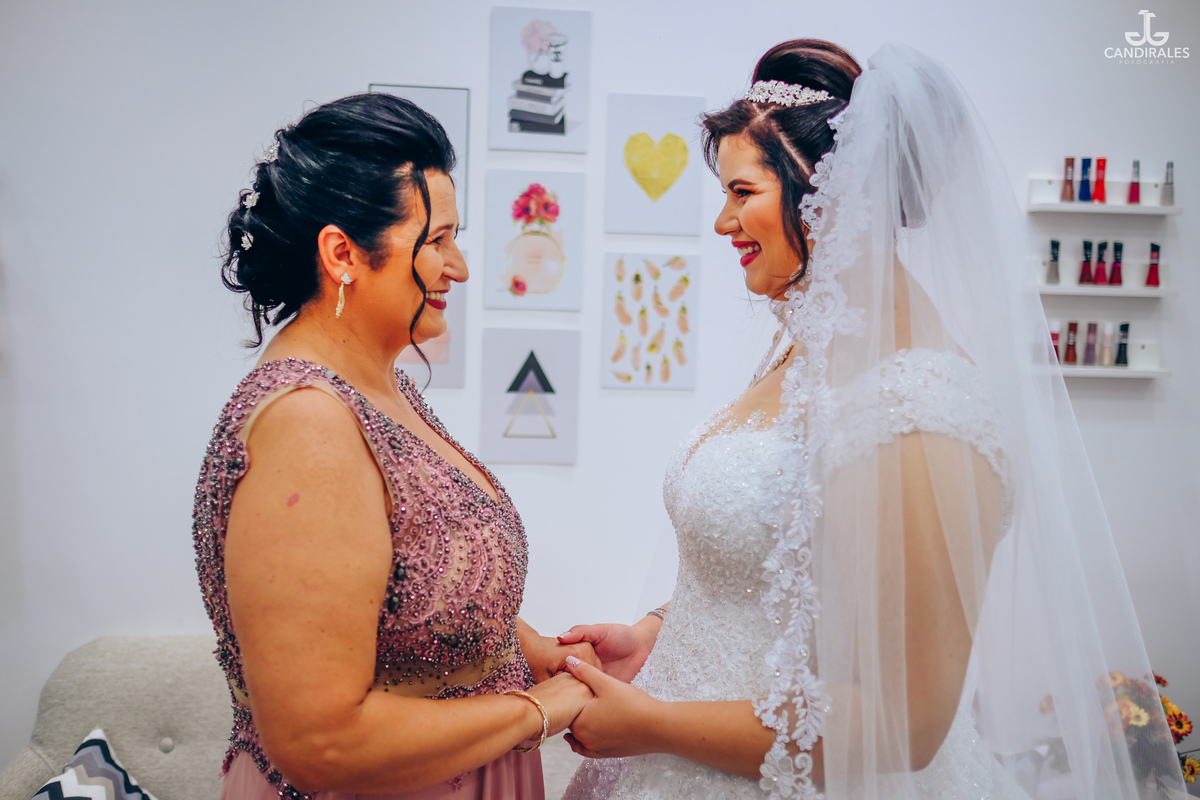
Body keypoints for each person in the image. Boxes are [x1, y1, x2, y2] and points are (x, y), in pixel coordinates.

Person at [557, 40, 1186, 799]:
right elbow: (774, 570)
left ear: (826, 192)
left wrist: (653, 724)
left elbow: (905, 720)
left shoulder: (922, 409)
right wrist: (651, 635)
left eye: (742, 191)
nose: (723, 221)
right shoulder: (806, 347)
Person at [192, 93, 595, 800]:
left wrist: (542, 654)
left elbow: (412, 591)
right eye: (437, 241)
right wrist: (540, 710)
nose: (459, 267)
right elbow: (322, 742)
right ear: (342, 253)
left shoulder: (381, 387)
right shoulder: (307, 421)